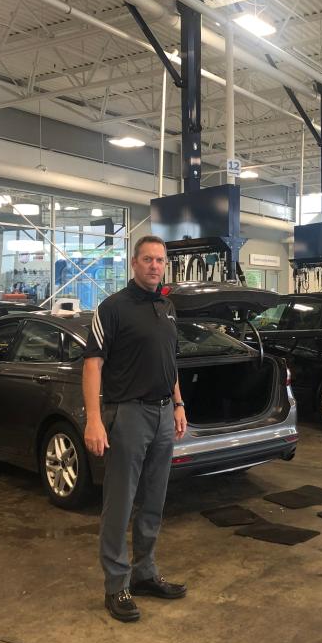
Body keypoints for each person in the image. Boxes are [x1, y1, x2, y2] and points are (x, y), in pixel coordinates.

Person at [82, 235, 188, 623]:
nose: (154, 265)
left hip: (163, 415)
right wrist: (94, 419)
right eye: (147, 259)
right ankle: (116, 585)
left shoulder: (167, 306)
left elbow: (170, 362)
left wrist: (178, 403)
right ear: (133, 263)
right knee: (120, 502)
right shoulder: (112, 309)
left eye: (160, 260)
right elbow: (92, 364)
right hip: (127, 415)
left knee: (154, 502)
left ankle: (145, 574)